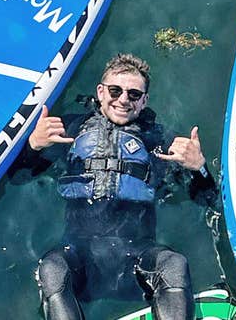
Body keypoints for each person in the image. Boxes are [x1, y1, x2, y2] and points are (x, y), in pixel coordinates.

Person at [22, 53, 215, 320]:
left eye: (134, 94)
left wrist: (199, 167)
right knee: (52, 267)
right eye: (115, 90)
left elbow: (208, 200)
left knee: (174, 264)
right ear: (101, 92)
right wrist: (33, 146)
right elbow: (19, 177)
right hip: (80, 261)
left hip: (137, 262)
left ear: (144, 100)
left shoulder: (160, 142)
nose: (123, 99)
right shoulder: (68, 129)